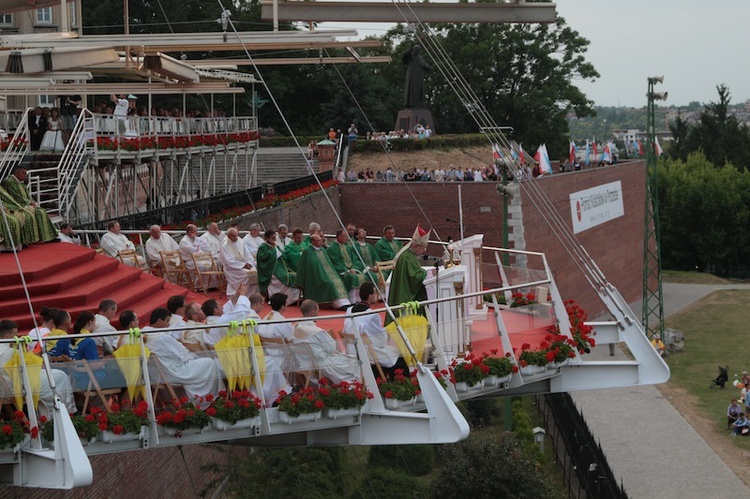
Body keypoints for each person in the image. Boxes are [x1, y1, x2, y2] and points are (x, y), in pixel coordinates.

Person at [142, 308, 224, 406]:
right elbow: (183, 355)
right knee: (210, 362)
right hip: (174, 372)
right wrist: (193, 355)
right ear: (159, 321)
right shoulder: (161, 338)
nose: (168, 325)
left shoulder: (143, 333)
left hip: (157, 375)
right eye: (167, 321)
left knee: (203, 361)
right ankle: (211, 399)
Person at [0, 319, 77, 418]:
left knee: (55, 376)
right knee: (60, 376)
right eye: (15, 334)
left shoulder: (9, 350)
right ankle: (64, 414)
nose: (16, 336)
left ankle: (48, 416)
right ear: (7, 336)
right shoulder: (9, 352)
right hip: (18, 387)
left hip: (6, 387)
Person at [343, 282, 409, 379]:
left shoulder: (349, 310)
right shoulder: (371, 315)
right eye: (374, 294)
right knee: (399, 355)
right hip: (366, 353)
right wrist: (387, 331)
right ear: (370, 296)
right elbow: (380, 340)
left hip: (352, 350)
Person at [50, 311, 126, 391]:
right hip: (92, 380)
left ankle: (102, 402)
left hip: (78, 380)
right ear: (90, 322)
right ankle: (124, 403)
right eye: (94, 322)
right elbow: (93, 366)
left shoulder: (73, 340)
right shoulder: (88, 341)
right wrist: (105, 360)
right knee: (126, 378)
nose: (95, 325)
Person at [293, 300, 359, 384]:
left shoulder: (295, 328)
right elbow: (331, 348)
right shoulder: (317, 332)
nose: (318, 314)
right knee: (357, 362)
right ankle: (354, 388)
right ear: (312, 313)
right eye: (317, 312)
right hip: (321, 363)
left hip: (303, 363)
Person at [0, 164, 57, 244]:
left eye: (26, 174)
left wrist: (31, 201)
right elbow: (15, 196)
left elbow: (27, 195)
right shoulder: (9, 182)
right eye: (23, 173)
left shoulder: (21, 183)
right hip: (18, 204)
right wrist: (28, 203)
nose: (25, 176)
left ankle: (47, 237)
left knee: (41, 211)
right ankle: (34, 239)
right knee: (33, 214)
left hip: (24, 204)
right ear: (17, 173)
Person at [386, 225, 430, 325]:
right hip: (405, 295)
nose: (424, 250)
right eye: (423, 247)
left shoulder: (409, 255)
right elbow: (414, 277)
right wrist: (426, 272)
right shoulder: (407, 258)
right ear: (416, 246)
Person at [295, 233, 351, 310]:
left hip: (327, 274)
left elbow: (329, 264)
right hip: (315, 277)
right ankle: (337, 304)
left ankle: (345, 302)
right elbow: (306, 267)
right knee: (330, 284)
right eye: (318, 241)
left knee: (338, 280)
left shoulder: (323, 250)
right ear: (313, 242)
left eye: (321, 240)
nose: (321, 242)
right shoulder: (307, 251)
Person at [256, 229, 299, 305]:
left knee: (294, 275)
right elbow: (263, 259)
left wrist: (279, 251)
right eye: (273, 238)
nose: (275, 240)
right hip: (270, 270)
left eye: (275, 237)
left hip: (280, 268)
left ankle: (291, 299)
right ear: (266, 238)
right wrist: (274, 250)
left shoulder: (275, 246)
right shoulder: (263, 247)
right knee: (286, 276)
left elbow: (283, 255)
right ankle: (278, 299)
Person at [327, 228, 369, 304]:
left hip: (352, 270)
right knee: (352, 277)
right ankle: (352, 300)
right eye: (345, 236)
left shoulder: (347, 247)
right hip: (342, 271)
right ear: (339, 237)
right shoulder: (332, 248)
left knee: (364, 276)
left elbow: (355, 259)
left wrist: (354, 268)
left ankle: (359, 300)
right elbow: (336, 263)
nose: (347, 238)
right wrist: (348, 270)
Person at [219, 227, 258, 296]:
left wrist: (249, 263)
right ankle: (240, 293)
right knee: (245, 274)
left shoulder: (241, 241)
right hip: (232, 268)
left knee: (255, 272)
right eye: (233, 236)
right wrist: (243, 265)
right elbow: (229, 261)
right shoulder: (225, 245)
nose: (236, 237)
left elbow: (247, 254)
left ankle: (251, 294)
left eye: (236, 235)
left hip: (244, 265)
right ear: (228, 236)